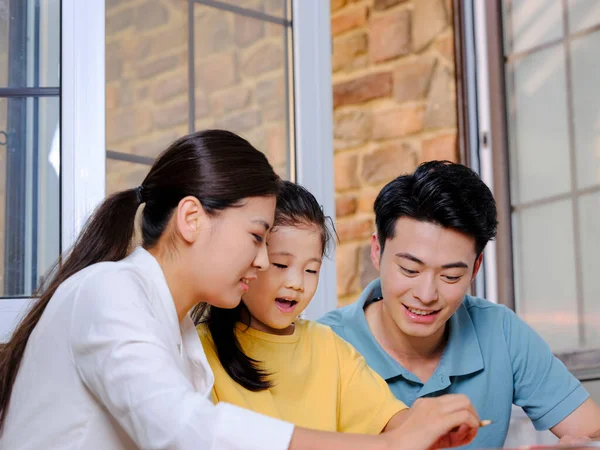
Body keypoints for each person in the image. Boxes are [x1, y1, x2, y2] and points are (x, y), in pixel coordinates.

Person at [0, 133, 480, 450]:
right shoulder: (108, 292)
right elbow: (187, 431)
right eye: (256, 237)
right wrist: (389, 444)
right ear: (191, 219)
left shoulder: (175, 329)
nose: (259, 260)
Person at [319, 160, 600, 449]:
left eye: (450, 276)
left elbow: (592, 432)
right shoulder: (323, 346)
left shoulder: (500, 332)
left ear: (476, 267)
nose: (426, 294)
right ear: (377, 251)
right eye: (410, 270)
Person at [196, 180, 482, 446]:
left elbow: (390, 422)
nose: (297, 283)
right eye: (281, 265)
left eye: (311, 270)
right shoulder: (200, 350)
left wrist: (433, 427)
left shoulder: (329, 348)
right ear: (251, 259)